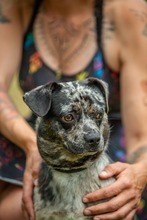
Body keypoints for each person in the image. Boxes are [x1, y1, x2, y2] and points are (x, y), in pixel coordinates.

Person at [0, 0, 147, 219]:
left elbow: (141, 135)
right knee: (12, 210)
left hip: (110, 143)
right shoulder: (16, 6)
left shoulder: (126, 10)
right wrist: (32, 145)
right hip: (39, 136)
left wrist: (139, 173)